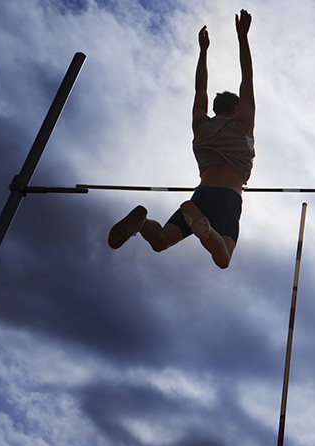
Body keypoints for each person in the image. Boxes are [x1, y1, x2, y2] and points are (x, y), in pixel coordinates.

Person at [108, 10, 255, 269]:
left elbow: (200, 89)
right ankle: (206, 232)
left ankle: (141, 224)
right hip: (228, 197)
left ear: (217, 107)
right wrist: (242, 36)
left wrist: (203, 51)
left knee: (161, 240)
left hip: (202, 195)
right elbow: (248, 79)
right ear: (235, 110)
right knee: (223, 258)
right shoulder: (243, 125)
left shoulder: (201, 124)